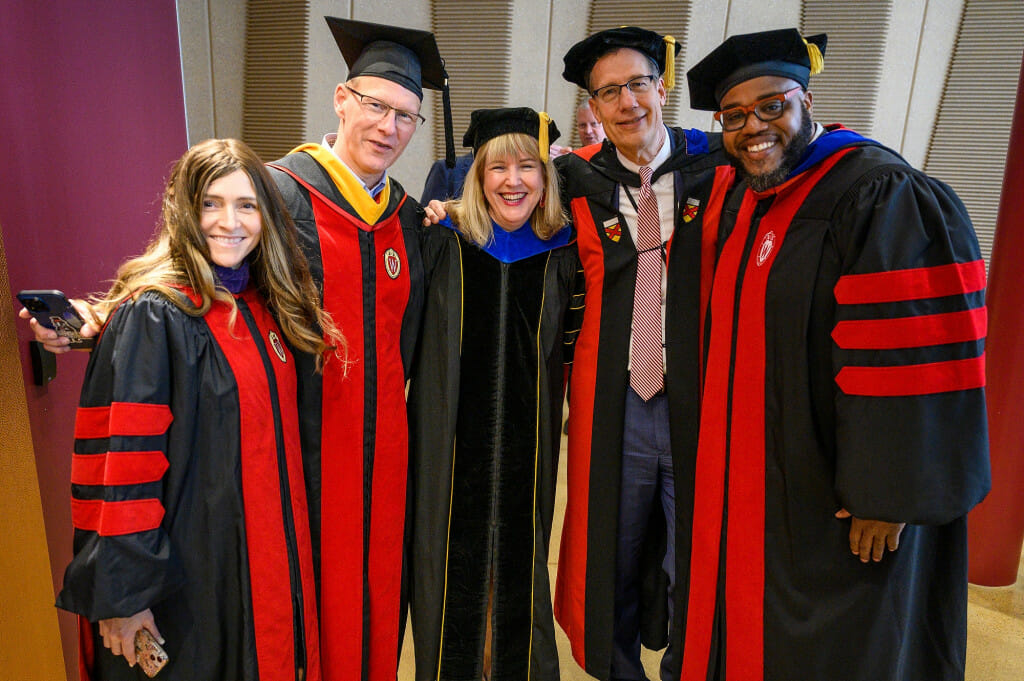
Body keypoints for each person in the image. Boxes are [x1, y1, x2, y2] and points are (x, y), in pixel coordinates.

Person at [677, 28, 990, 681]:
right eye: (733, 117)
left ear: (806, 99)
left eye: (770, 107)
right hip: (753, 484)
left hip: (839, 501)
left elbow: (914, 352)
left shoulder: (880, 194)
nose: (752, 128)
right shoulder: (739, 195)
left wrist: (887, 494)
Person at [53, 138, 339, 680]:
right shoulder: (156, 315)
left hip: (264, 568)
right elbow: (121, 471)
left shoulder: (264, 305)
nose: (228, 222)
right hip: (189, 579)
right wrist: (126, 595)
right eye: (210, 203)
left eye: (246, 205)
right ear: (184, 210)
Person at [263, 18, 454, 681]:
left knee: (377, 597)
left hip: (385, 454)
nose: (389, 127)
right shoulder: (274, 195)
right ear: (342, 99)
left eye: (406, 115)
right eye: (376, 105)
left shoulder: (405, 216)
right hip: (300, 450)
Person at [552, 26, 732, 681]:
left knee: (697, 549)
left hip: (699, 399)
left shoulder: (720, 166)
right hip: (618, 401)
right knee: (612, 549)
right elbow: (492, 188)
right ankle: (617, 666)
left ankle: (690, 664)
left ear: (663, 87)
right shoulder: (573, 179)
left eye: (637, 84)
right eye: (609, 93)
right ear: (592, 110)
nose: (627, 102)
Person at [410, 107, 581, 681]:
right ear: (477, 177)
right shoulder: (443, 243)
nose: (513, 180)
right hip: (448, 442)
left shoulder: (565, 253)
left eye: (527, 166)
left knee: (519, 560)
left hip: (529, 450)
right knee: (449, 557)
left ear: (546, 175)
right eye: (497, 167)